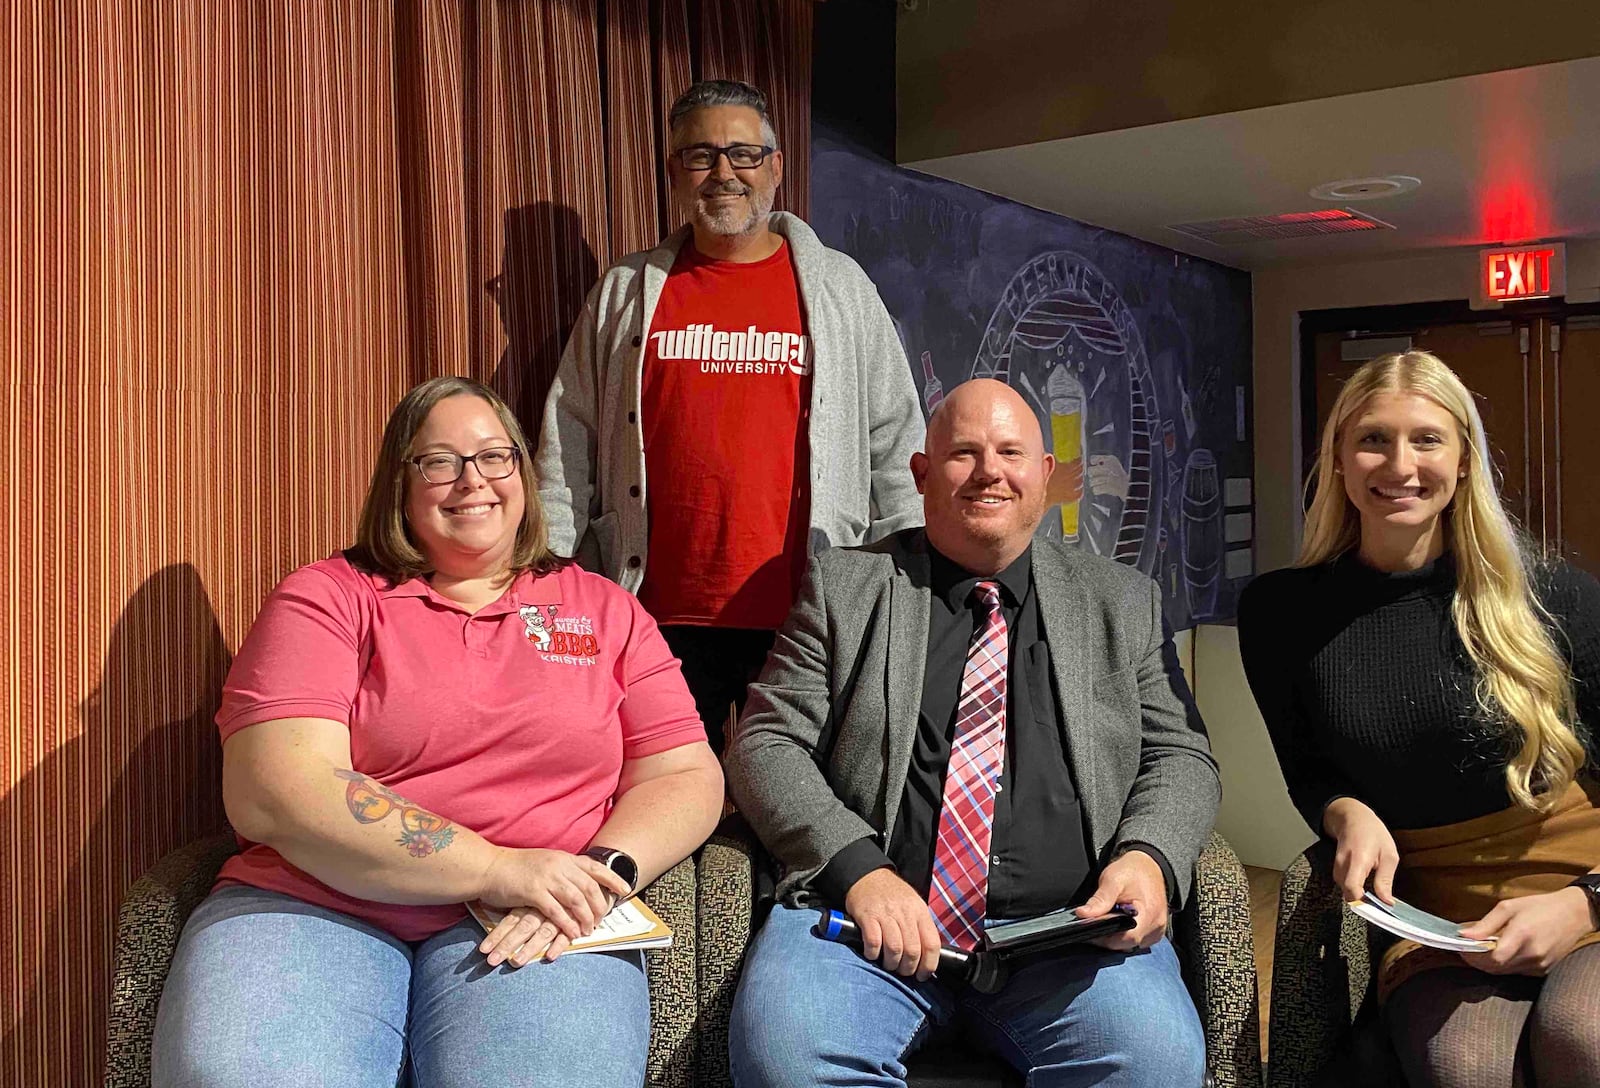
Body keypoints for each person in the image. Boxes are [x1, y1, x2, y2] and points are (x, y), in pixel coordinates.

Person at [151, 377, 724, 1088]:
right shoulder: (328, 597)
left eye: (494, 457)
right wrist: (494, 867)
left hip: (536, 914)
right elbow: (275, 790)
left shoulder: (603, 608)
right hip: (314, 901)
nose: (472, 481)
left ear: (522, 470)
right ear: (401, 481)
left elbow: (685, 775)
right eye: (439, 461)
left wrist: (601, 877)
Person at [725, 377, 1220, 1087]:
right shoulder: (847, 587)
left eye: (1011, 451)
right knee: (790, 1058)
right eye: (964, 452)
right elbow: (766, 743)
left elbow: (1182, 756)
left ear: (1045, 476)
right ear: (923, 475)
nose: (990, 470)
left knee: (1153, 1062)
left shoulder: (1121, 601)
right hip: (859, 934)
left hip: (1066, 940)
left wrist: (1148, 857)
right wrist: (859, 871)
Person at [1238, 350, 1600, 1088]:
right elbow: (1309, 769)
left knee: (1581, 1036)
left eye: (1428, 439)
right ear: (1337, 460)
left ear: (1464, 461)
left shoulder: (1560, 598)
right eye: (1373, 438)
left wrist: (1583, 903)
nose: (1399, 463)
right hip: (1443, 922)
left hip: (1586, 888)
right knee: (1463, 1067)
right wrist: (1346, 813)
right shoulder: (1280, 614)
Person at [534, 79, 923, 751]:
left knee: (797, 809)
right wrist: (549, 581)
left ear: (775, 166)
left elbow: (895, 446)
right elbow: (567, 447)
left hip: (807, 618)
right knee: (664, 802)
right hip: (650, 618)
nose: (724, 174)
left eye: (744, 154)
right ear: (673, 173)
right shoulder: (626, 292)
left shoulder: (841, 288)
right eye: (701, 156)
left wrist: (915, 587)